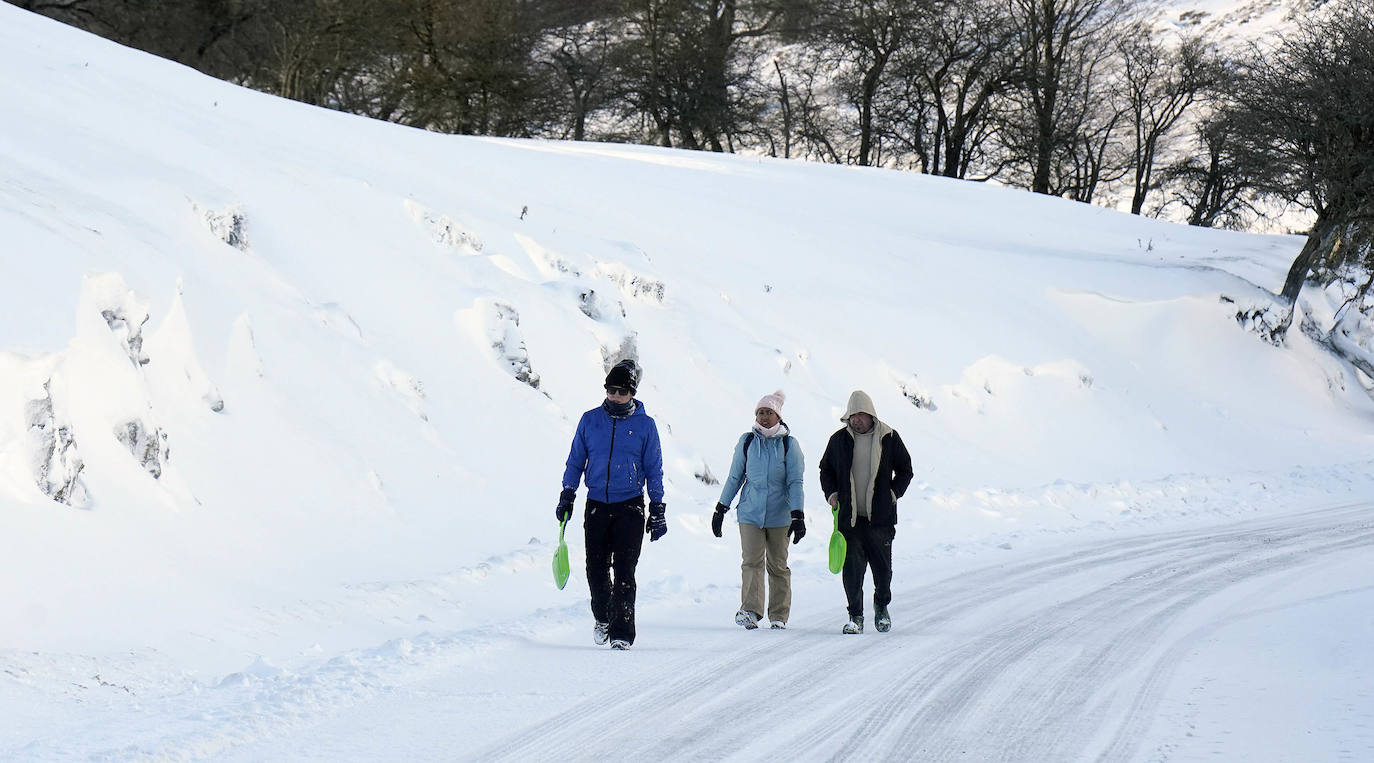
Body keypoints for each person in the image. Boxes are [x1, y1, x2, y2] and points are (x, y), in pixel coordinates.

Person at [557, 359, 666, 650]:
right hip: (596, 505)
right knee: (595, 567)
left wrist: (657, 507)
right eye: (611, 390)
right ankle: (603, 617)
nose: (615, 396)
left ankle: (622, 633)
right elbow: (576, 460)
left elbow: (654, 467)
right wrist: (568, 493)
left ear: (632, 393)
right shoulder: (589, 420)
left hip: (630, 505)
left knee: (625, 570)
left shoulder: (645, 426)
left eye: (621, 391)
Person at [818, 390, 913, 634]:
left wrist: (893, 494)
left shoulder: (888, 437)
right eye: (852, 415)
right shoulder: (838, 440)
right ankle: (855, 617)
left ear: (871, 415)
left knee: (883, 570)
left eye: (861, 414)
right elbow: (825, 469)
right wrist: (831, 493)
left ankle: (881, 608)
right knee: (852, 570)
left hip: (880, 519)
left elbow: (905, 470)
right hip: (849, 519)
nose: (856, 419)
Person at [713, 391, 806, 630]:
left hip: (780, 515)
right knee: (751, 562)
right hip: (750, 513)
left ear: (778, 416)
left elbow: (795, 481)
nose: (764, 417)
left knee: (777, 565)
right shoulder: (747, 442)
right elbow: (735, 477)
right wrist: (721, 507)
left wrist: (798, 514)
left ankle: (778, 615)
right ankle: (751, 610)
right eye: (761, 412)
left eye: (769, 413)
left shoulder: (789, 444)